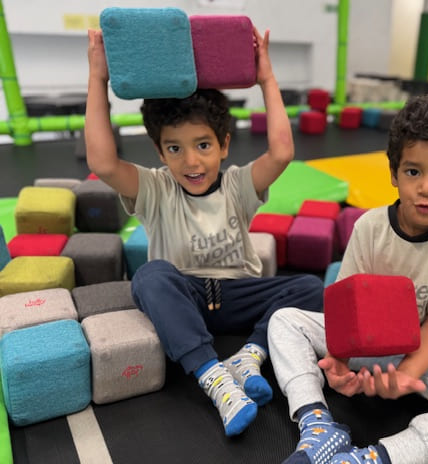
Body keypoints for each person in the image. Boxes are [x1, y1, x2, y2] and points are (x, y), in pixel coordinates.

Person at [85, 26, 324, 437]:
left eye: (203, 145)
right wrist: (98, 77)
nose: (191, 162)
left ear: (224, 145)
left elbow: (282, 152)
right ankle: (215, 379)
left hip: (239, 295)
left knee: (309, 287)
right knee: (150, 276)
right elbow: (104, 163)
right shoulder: (155, 189)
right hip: (187, 298)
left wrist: (266, 77)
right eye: (174, 149)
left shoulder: (238, 185)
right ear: (160, 152)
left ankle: (250, 355)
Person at [267, 91, 428, 464]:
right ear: (393, 172)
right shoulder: (369, 227)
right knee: (285, 321)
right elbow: (345, 311)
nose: (427, 188)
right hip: (368, 342)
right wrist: (338, 361)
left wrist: (406, 375)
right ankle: (316, 422)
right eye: (413, 172)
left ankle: (377, 458)